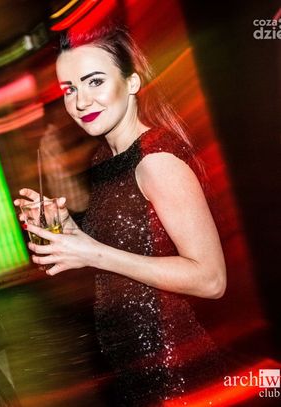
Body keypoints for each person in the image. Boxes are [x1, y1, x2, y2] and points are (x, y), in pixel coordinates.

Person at [14, 24, 226, 405]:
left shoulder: (156, 160)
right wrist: (68, 230)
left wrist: (92, 252)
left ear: (132, 82)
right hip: (135, 375)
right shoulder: (105, 159)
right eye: (69, 89)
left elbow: (211, 280)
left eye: (94, 81)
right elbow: (130, 248)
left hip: (176, 376)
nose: (80, 102)